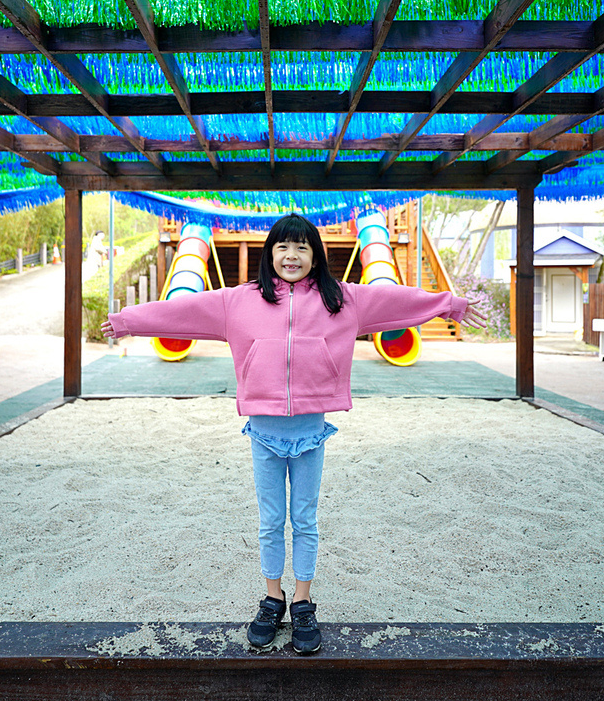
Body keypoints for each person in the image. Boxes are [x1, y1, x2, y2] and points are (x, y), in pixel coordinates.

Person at [101, 213, 487, 654]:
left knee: (304, 519)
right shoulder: (240, 301)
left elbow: (396, 300)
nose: (292, 255)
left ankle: (302, 602)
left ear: (315, 255)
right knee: (270, 521)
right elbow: (182, 311)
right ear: (270, 254)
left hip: (310, 429)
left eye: (302, 247)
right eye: (283, 246)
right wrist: (130, 320)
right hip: (263, 430)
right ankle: (272, 597)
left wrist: (448, 304)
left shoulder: (342, 299)